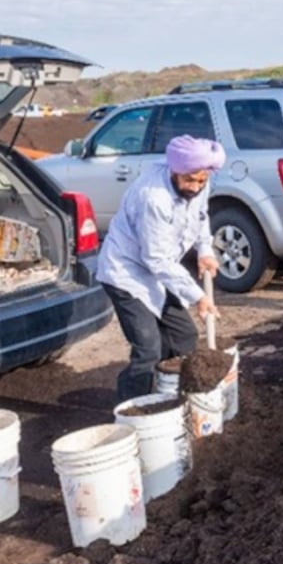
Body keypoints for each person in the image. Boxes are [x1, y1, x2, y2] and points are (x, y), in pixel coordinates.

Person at [96, 135, 224, 400]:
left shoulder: (199, 183)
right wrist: (198, 296)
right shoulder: (153, 198)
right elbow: (156, 259)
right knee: (148, 349)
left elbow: (200, 215)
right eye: (189, 180)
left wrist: (205, 250)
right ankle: (136, 407)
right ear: (174, 171)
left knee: (184, 335)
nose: (195, 187)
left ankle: (172, 394)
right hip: (125, 273)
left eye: (202, 180)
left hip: (159, 272)